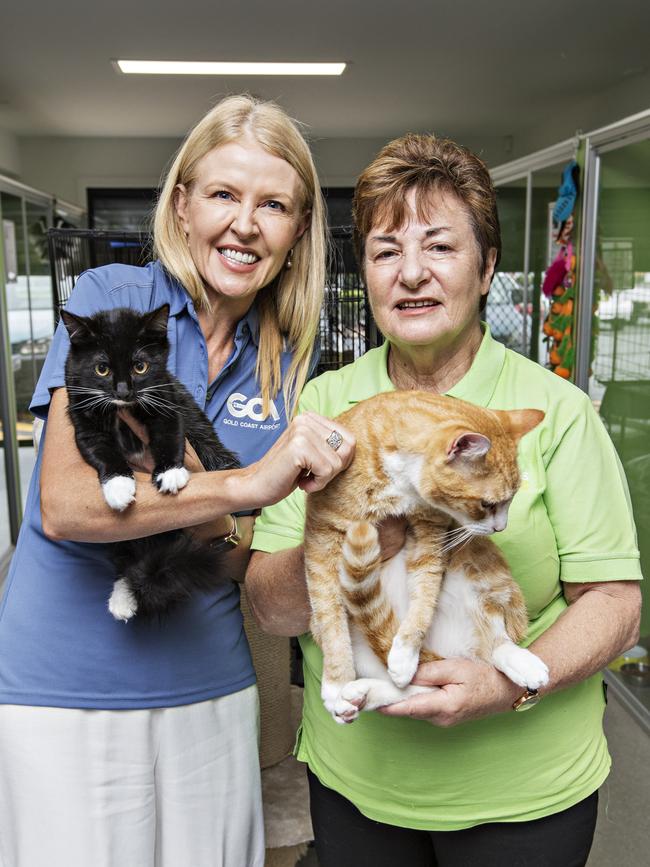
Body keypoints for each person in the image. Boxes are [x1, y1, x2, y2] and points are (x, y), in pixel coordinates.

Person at [246, 133, 643, 867]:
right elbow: (271, 605)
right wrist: (368, 531)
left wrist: (503, 684)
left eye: (441, 247)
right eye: (386, 250)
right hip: (359, 784)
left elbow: (616, 602)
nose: (412, 273)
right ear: (364, 272)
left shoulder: (551, 411)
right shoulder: (327, 406)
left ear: (488, 266)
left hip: (526, 792)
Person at [0, 95, 355, 867]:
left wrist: (226, 518)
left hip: (212, 684)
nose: (245, 223)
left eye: (274, 204)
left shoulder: (293, 363)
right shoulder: (111, 301)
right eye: (225, 194)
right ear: (183, 203)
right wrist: (241, 487)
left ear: (296, 233)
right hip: (63, 687)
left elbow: (240, 554)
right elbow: (66, 503)